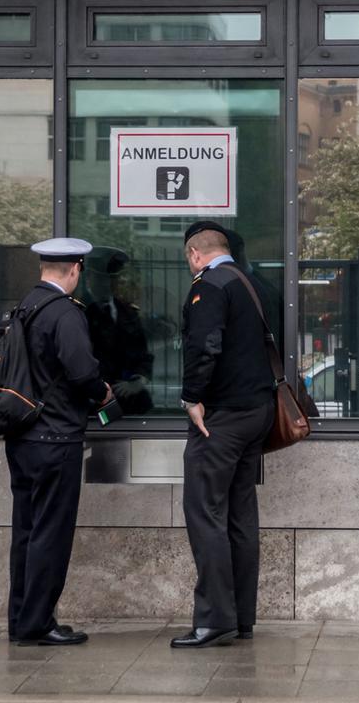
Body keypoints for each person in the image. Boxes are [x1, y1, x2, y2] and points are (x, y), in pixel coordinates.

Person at [6, 237, 112, 647]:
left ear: (42, 268)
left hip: (23, 437)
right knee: (50, 533)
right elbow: (82, 372)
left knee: (26, 532)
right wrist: (103, 392)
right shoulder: (64, 313)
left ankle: (21, 619)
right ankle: (38, 624)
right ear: (76, 270)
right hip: (56, 437)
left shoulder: (25, 306)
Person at [173, 221, 275, 649]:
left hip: (222, 419)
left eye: (188, 259)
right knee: (239, 516)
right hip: (258, 412)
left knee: (205, 514)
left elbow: (205, 345)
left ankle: (215, 620)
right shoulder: (256, 285)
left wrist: (192, 397)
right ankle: (241, 618)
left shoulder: (210, 286)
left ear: (196, 253)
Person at [84, 247, 153, 414]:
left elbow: (143, 356)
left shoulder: (127, 312)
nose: (107, 285)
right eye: (101, 279)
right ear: (89, 278)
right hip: (92, 403)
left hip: (127, 401)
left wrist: (138, 381)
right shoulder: (80, 312)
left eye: (112, 279)